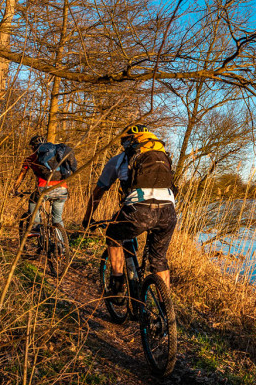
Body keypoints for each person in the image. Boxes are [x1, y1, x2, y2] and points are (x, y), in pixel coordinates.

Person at [82, 124, 176, 294]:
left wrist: (88, 218)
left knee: (113, 234)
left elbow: (98, 191)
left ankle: (117, 286)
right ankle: (167, 313)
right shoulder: (163, 157)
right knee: (159, 260)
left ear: (127, 143)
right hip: (168, 212)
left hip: (139, 211)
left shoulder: (119, 160)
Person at [12, 135, 69, 238]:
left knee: (32, 201)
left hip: (44, 188)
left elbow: (22, 175)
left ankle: (36, 227)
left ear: (33, 147)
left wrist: (15, 189)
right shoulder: (57, 155)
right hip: (62, 189)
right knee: (57, 219)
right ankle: (63, 250)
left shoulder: (31, 159)